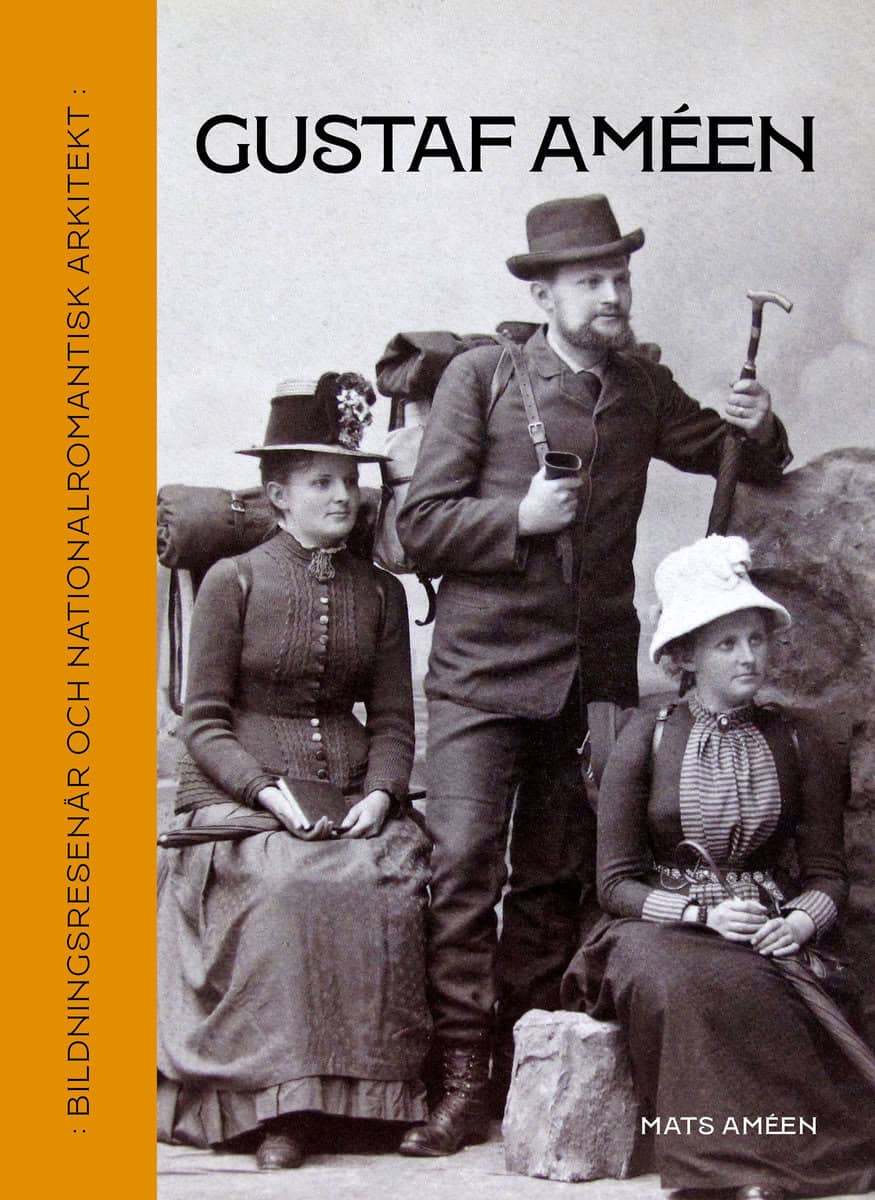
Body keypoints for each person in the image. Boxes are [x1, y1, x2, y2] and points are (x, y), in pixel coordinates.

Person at [395, 194, 792, 1156]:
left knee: (556, 875)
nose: (611, 295)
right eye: (589, 281)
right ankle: (460, 1077)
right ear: (544, 294)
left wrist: (759, 423)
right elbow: (418, 528)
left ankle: (524, 1059)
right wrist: (517, 520)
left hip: (591, 678)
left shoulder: (640, 386)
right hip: (481, 674)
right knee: (462, 869)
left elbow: (735, 457)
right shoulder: (482, 378)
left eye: (619, 277)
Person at [158, 374, 432, 1170]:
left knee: (391, 877)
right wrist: (267, 791)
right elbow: (202, 721)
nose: (342, 495)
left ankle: (365, 1101)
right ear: (277, 496)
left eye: (349, 480)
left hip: (348, 796)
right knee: (285, 884)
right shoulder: (233, 580)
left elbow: (392, 720)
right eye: (320, 482)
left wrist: (380, 794)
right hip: (239, 799)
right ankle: (278, 1106)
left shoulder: (379, 592)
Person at [562, 534, 875, 1198]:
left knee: (768, 985)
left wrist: (797, 922)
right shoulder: (643, 738)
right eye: (726, 644)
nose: (748, 656)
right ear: (685, 656)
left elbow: (827, 873)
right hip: (654, 929)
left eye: (756, 639)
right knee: (684, 983)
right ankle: (720, 1168)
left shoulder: (800, 740)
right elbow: (614, 883)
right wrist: (701, 914)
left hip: (767, 926)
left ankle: (791, 1158)